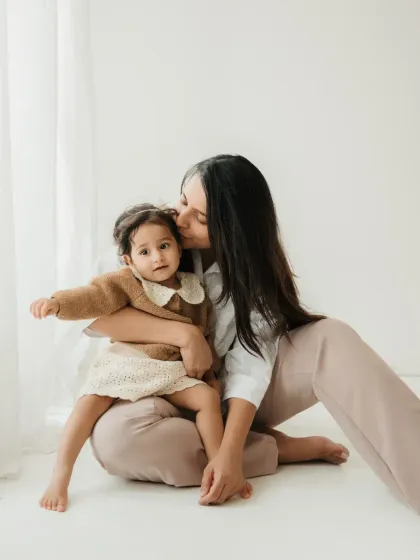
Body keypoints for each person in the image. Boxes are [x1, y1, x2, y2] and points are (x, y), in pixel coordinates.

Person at [87, 154, 420, 513]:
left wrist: (228, 451)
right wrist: (186, 336)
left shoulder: (253, 272)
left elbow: (252, 363)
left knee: (333, 338)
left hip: (228, 397)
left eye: (199, 218)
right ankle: (273, 449)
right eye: (183, 200)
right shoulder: (149, 234)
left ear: (233, 228)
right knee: (115, 442)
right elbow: (94, 316)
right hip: (157, 388)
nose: (180, 219)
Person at [30, 204, 226, 512]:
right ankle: (60, 476)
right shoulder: (128, 282)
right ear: (129, 260)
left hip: (173, 371)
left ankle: (219, 464)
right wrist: (57, 303)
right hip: (132, 360)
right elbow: (93, 297)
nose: (157, 257)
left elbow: (205, 338)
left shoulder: (195, 289)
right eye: (144, 252)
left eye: (164, 246)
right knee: (90, 402)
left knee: (208, 399)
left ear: (177, 246)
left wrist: (211, 377)